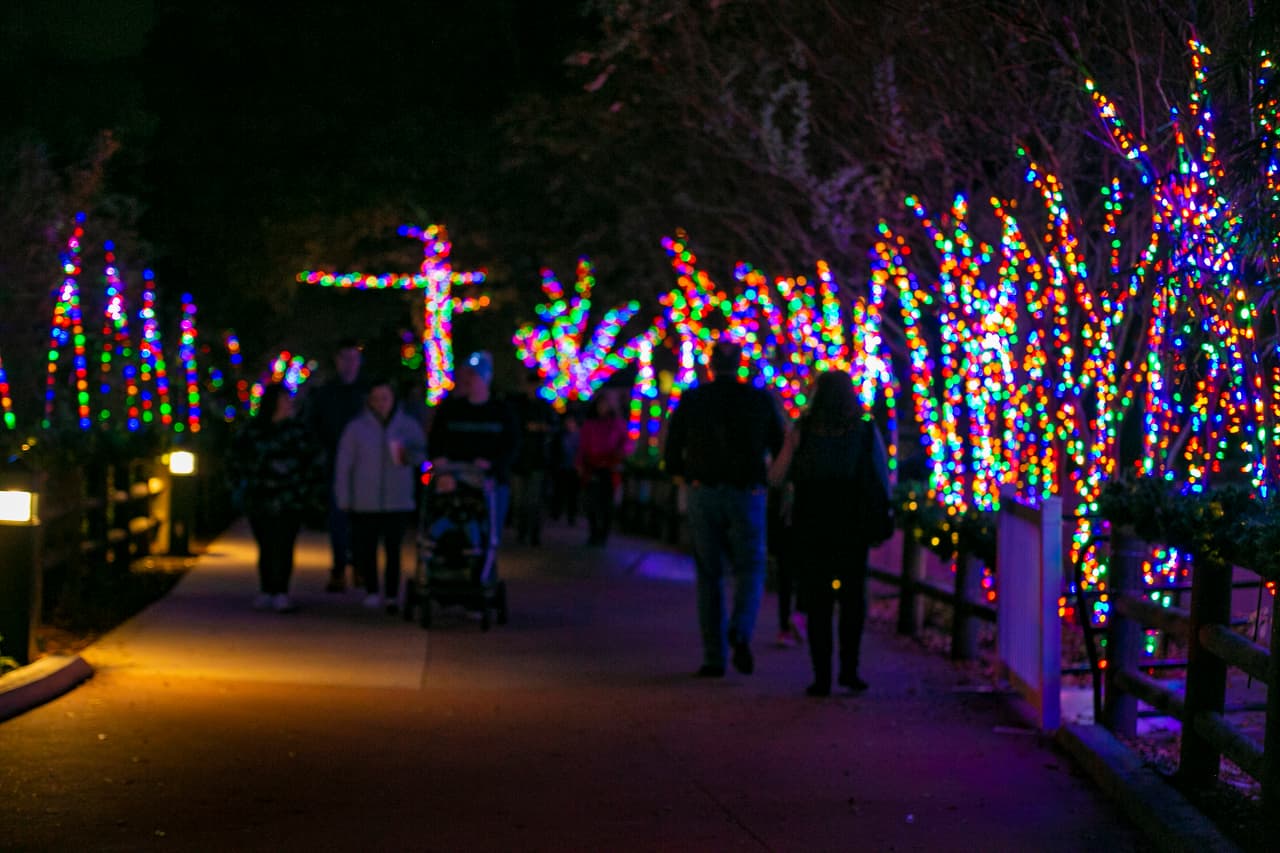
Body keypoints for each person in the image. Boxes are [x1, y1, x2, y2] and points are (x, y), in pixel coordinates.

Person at [663, 339, 786, 678]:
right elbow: (779, 445)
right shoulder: (759, 400)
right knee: (751, 566)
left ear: (711, 365)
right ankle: (741, 627)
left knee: (709, 573)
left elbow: (672, 449)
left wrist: (681, 474)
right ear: (741, 364)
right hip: (747, 492)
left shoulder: (693, 399)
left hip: (704, 490)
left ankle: (713, 657)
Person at [777, 369, 890, 696]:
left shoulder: (804, 429)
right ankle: (850, 670)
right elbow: (881, 477)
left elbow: (779, 476)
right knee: (853, 597)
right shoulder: (865, 431)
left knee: (818, 599)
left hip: (812, 522)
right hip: (852, 523)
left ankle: (821, 675)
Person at [228, 382, 327, 613]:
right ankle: (267, 588)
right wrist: (242, 484)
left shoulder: (297, 431)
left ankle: (281, 590)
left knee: (284, 544)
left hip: (289, 499)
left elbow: (312, 461)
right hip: (260, 498)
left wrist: (306, 490)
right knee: (266, 544)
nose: (287, 404)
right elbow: (236, 459)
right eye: (283, 400)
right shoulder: (253, 431)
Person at [333, 377, 427, 613]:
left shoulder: (407, 425)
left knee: (394, 549)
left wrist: (409, 456)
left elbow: (422, 454)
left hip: (397, 499)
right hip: (365, 501)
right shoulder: (356, 428)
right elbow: (344, 464)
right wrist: (343, 496)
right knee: (367, 548)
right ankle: (372, 590)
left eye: (385, 398)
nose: (381, 403)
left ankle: (393, 594)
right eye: (376, 399)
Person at [428, 351, 520, 541]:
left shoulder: (502, 412)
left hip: (489, 484)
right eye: (466, 375)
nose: (469, 380)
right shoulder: (450, 410)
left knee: (489, 536)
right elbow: (435, 441)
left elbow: (511, 446)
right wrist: (440, 462)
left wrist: (492, 465)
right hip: (454, 481)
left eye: (474, 375)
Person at [302, 338, 367, 592]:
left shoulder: (367, 392)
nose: (350, 364)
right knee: (338, 517)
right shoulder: (326, 393)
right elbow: (312, 425)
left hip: (365, 466)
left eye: (354, 358)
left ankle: (361, 566)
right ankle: (339, 567)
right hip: (335, 462)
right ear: (337, 361)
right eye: (345, 358)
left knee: (362, 519)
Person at [509, 370, 560, 546]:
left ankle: (533, 532)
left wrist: (543, 429)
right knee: (520, 500)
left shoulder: (544, 407)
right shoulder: (518, 405)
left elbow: (554, 427)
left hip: (537, 459)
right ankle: (522, 531)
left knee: (534, 499)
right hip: (520, 459)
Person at [577, 392, 628, 546]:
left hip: (609, 467)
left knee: (606, 503)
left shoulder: (616, 424)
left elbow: (625, 442)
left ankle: (603, 534)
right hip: (592, 466)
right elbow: (583, 446)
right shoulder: (590, 424)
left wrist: (618, 457)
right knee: (591, 502)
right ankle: (593, 533)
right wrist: (580, 463)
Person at [548, 408, 582, 525]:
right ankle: (556, 513)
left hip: (574, 468)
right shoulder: (560, 435)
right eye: (567, 421)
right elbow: (555, 451)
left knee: (573, 494)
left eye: (571, 421)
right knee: (559, 492)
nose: (569, 424)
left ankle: (571, 516)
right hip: (562, 467)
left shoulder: (580, 436)